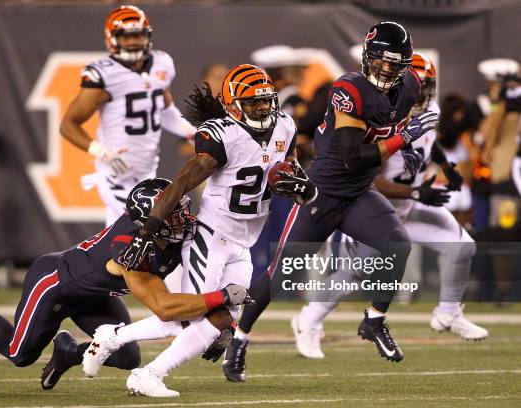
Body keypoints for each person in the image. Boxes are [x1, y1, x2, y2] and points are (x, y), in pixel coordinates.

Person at [223, 21, 438, 382]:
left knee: (398, 245)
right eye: (380, 61)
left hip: (358, 192)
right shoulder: (349, 88)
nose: (386, 69)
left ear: (406, 65)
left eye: (394, 63)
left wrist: (410, 145)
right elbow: (354, 154)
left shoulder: (410, 86)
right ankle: (239, 340)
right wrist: (404, 140)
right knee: (281, 275)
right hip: (322, 192)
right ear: (367, 57)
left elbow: (390, 131)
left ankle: (373, 320)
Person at [95, 64, 315, 397]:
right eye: (252, 102)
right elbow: (181, 183)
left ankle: (122, 347)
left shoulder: (284, 124)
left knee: (220, 320)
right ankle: (139, 364)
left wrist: (300, 182)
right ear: (233, 105)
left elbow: (291, 165)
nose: (261, 108)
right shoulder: (222, 135)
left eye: (265, 101)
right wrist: (145, 235)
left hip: (244, 241)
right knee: (188, 317)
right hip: (212, 236)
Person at [0, 178, 250, 391]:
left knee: (128, 356)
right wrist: (221, 297)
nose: (184, 217)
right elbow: (164, 308)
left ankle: (68, 352)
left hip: (97, 295)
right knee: (20, 354)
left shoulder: (170, 235)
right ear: (153, 222)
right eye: (173, 213)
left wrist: (220, 316)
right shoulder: (131, 250)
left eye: (181, 209)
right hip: (56, 284)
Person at [291, 53, 488, 360]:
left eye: (426, 89)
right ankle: (309, 319)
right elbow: (366, 176)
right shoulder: (381, 117)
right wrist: (415, 194)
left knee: (462, 247)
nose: (420, 96)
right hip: (376, 207)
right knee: (356, 273)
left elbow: (428, 139)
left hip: (411, 203)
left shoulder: (427, 110)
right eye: (417, 88)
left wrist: (444, 164)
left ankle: (448, 314)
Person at [60, 5, 195, 226]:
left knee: (117, 241)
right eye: (126, 36)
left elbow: (165, 109)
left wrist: (189, 130)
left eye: (139, 35)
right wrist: (102, 152)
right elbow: (68, 124)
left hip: (147, 170)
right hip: (116, 172)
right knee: (150, 226)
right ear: (112, 39)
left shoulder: (162, 63)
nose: (133, 42)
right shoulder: (104, 75)